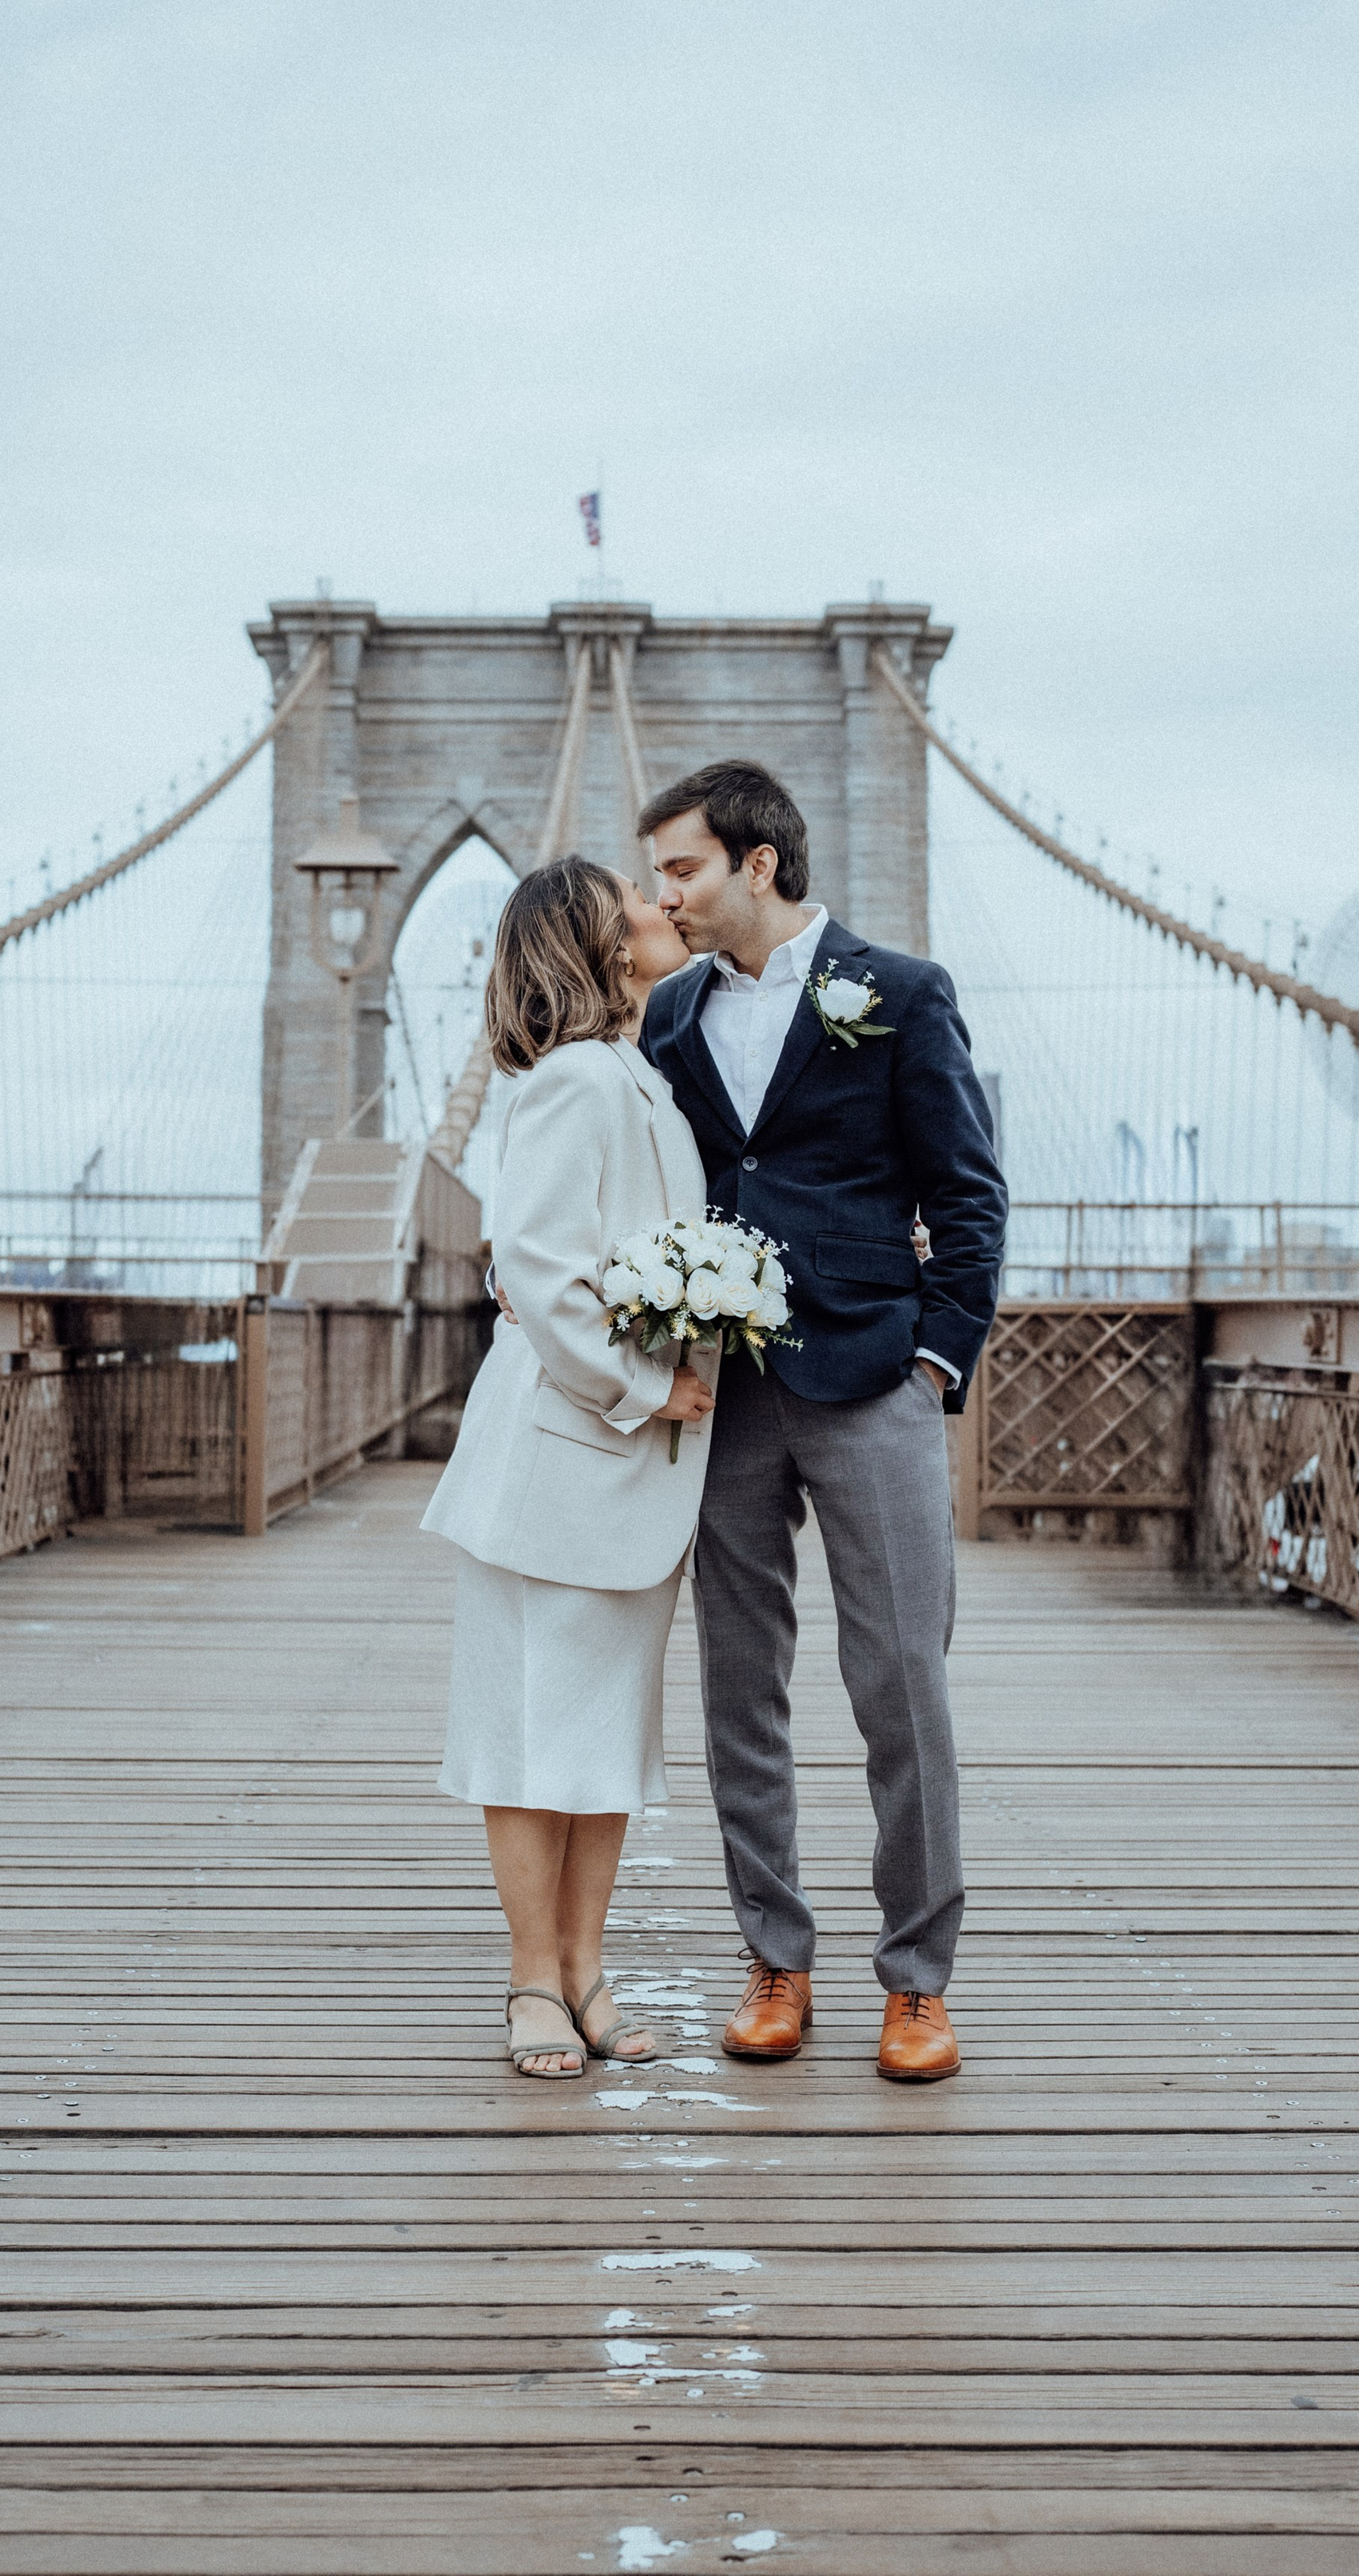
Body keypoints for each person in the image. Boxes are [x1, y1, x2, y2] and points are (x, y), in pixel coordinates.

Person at [638, 761, 1008, 2081]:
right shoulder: (666, 1016)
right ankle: (774, 1962)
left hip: (873, 1381)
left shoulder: (899, 995)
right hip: (723, 1393)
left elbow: (968, 1191)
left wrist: (937, 1361)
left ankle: (918, 1981)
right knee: (739, 1686)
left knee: (902, 1681)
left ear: (758, 862)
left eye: (680, 868)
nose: (660, 894)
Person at [422, 853, 717, 2077]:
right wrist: (653, 1385)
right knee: (527, 1733)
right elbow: (540, 1276)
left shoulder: (641, 1080)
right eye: (636, 901)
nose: (662, 907)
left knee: (603, 1744)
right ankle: (531, 1983)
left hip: (633, 1474)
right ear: (595, 948)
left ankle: (589, 1972)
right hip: (553, 1466)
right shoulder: (569, 1086)